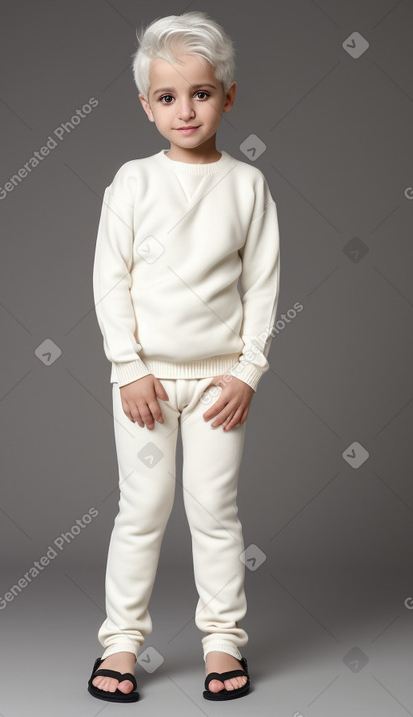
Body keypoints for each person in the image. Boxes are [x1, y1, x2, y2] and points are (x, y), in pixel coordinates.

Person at [87, 10, 280, 703]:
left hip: (218, 384)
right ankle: (120, 641)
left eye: (201, 92)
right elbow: (110, 280)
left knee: (215, 509)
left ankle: (223, 638)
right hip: (143, 383)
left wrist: (247, 370)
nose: (185, 108)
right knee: (141, 509)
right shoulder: (132, 183)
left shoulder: (247, 186)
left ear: (229, 96)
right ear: (146, 106)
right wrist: (128, 368)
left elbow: (263, 287)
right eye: (167, 97)